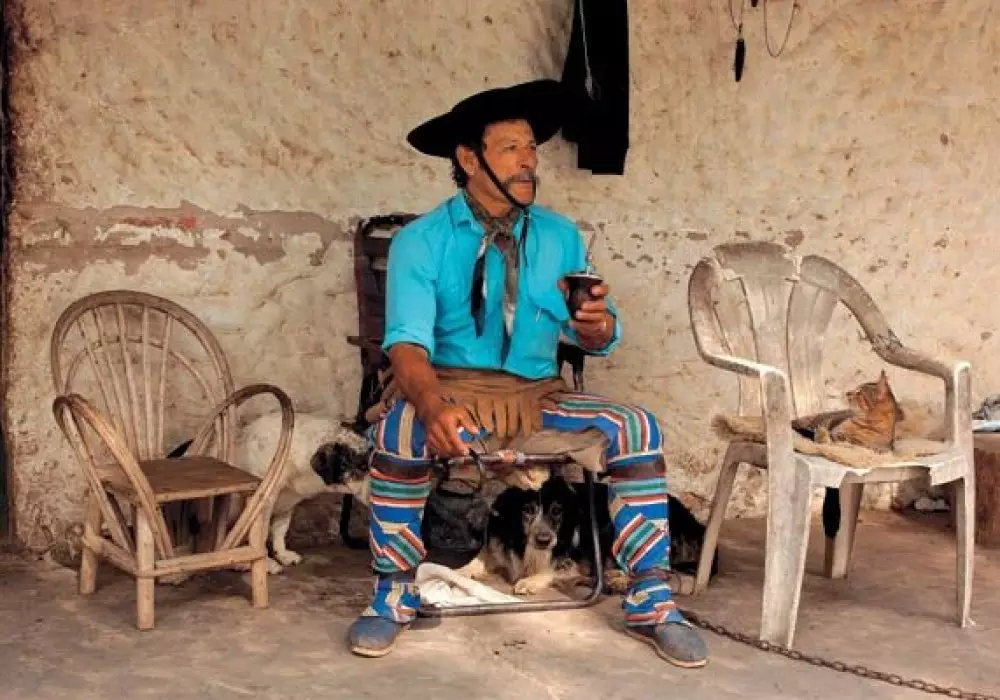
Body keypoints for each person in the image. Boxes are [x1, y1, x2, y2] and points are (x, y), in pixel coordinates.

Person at [347, 79, 708, 668]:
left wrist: (596, 326)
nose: (529, 161)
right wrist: (433, 407)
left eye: (532, 148)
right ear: (470, 160)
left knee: (636, 427)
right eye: (512, 148)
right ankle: (392, 594)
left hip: (537, 397)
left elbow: (593, 333)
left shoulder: (560, 236)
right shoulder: (421, 241)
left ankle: (651, 601)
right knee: (397, 432)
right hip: (450, 393)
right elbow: (406, 346)